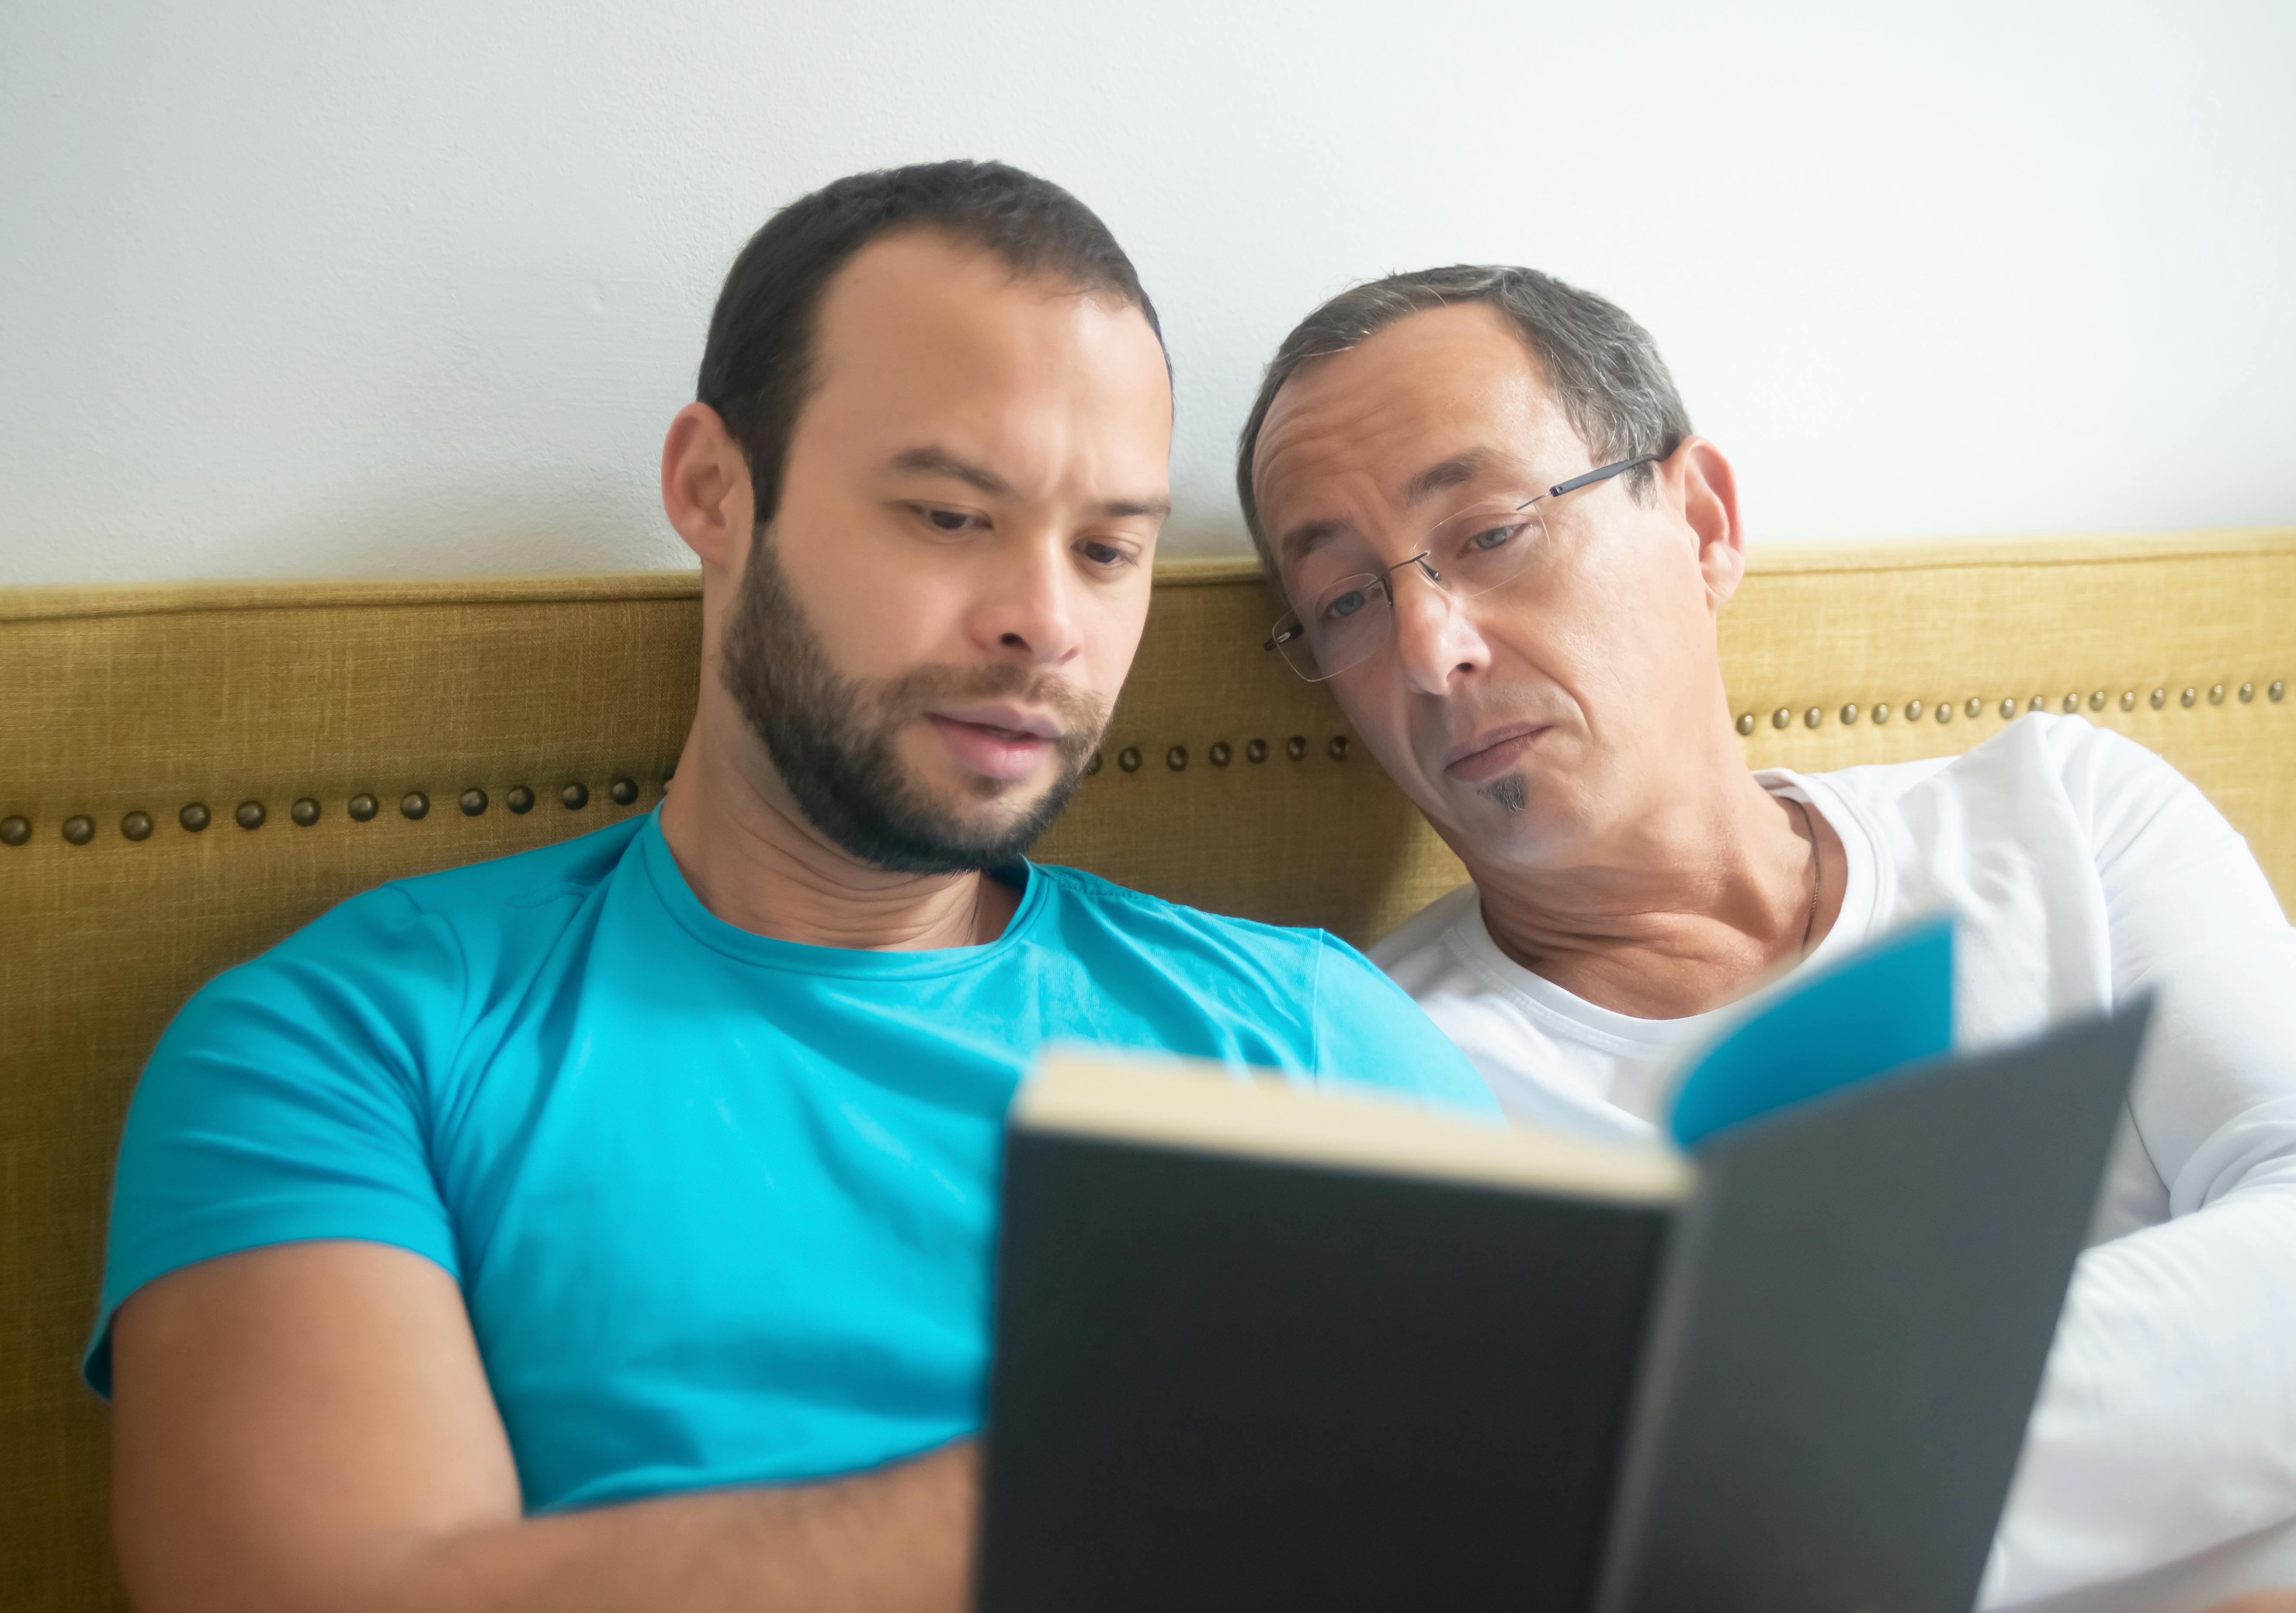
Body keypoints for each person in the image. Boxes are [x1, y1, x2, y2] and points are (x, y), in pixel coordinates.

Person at [94, 163, 1492, 1613]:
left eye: (1106, 550)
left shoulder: (1311, 1034)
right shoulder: (349, 1042)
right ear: (714, 490)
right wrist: (1140, 1474)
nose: (1048, 623)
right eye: (948, 515)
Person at [1234, 266, 2296, 1611]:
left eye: (1494, 530)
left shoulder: (2068, 816)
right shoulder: (1373, 1081)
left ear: (1702, 523)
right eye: (1346, 601)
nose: (1429, 647)